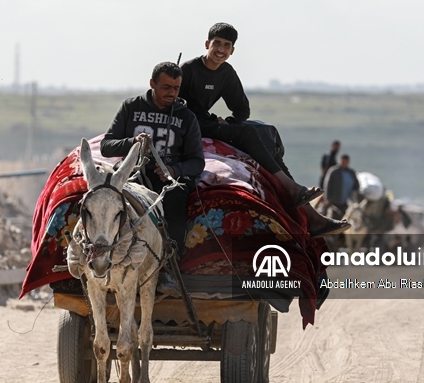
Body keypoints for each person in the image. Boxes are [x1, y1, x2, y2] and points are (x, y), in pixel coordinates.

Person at [179, 22, 347, 236]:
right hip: (190, 127)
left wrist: (228, 123)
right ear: (207, 44)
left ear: (232, 50)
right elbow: (171, 105)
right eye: (217, 44)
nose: (220, 50)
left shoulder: (226, 72)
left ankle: (312, 216)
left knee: (264, 135)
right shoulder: (188, 70)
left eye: (226, 45)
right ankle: (294, 190)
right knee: (249, 133)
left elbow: (242, 110)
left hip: (208, 123)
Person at [100, 62, 204, 257]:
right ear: (152, 84)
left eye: (176, 88)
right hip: (132, 176)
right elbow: (106, 147)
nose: (172, 93)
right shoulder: (130, 107)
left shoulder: (187, 117)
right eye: (166, 87)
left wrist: (174, 171)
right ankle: (103, 254)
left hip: (169, 181)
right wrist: (132, 143)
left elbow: (197, 162)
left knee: (176, 199)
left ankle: (170, 265)